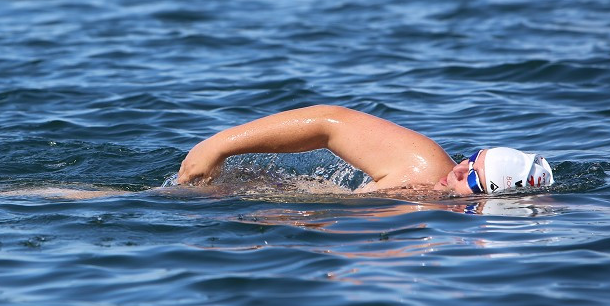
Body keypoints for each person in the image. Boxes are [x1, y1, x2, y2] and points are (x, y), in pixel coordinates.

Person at [177, 105, 554, 195]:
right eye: (472, 157)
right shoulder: (424, 166)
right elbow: (329, 121)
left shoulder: (435, 244)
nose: (459, 167)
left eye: (473, 176)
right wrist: (217, 145)